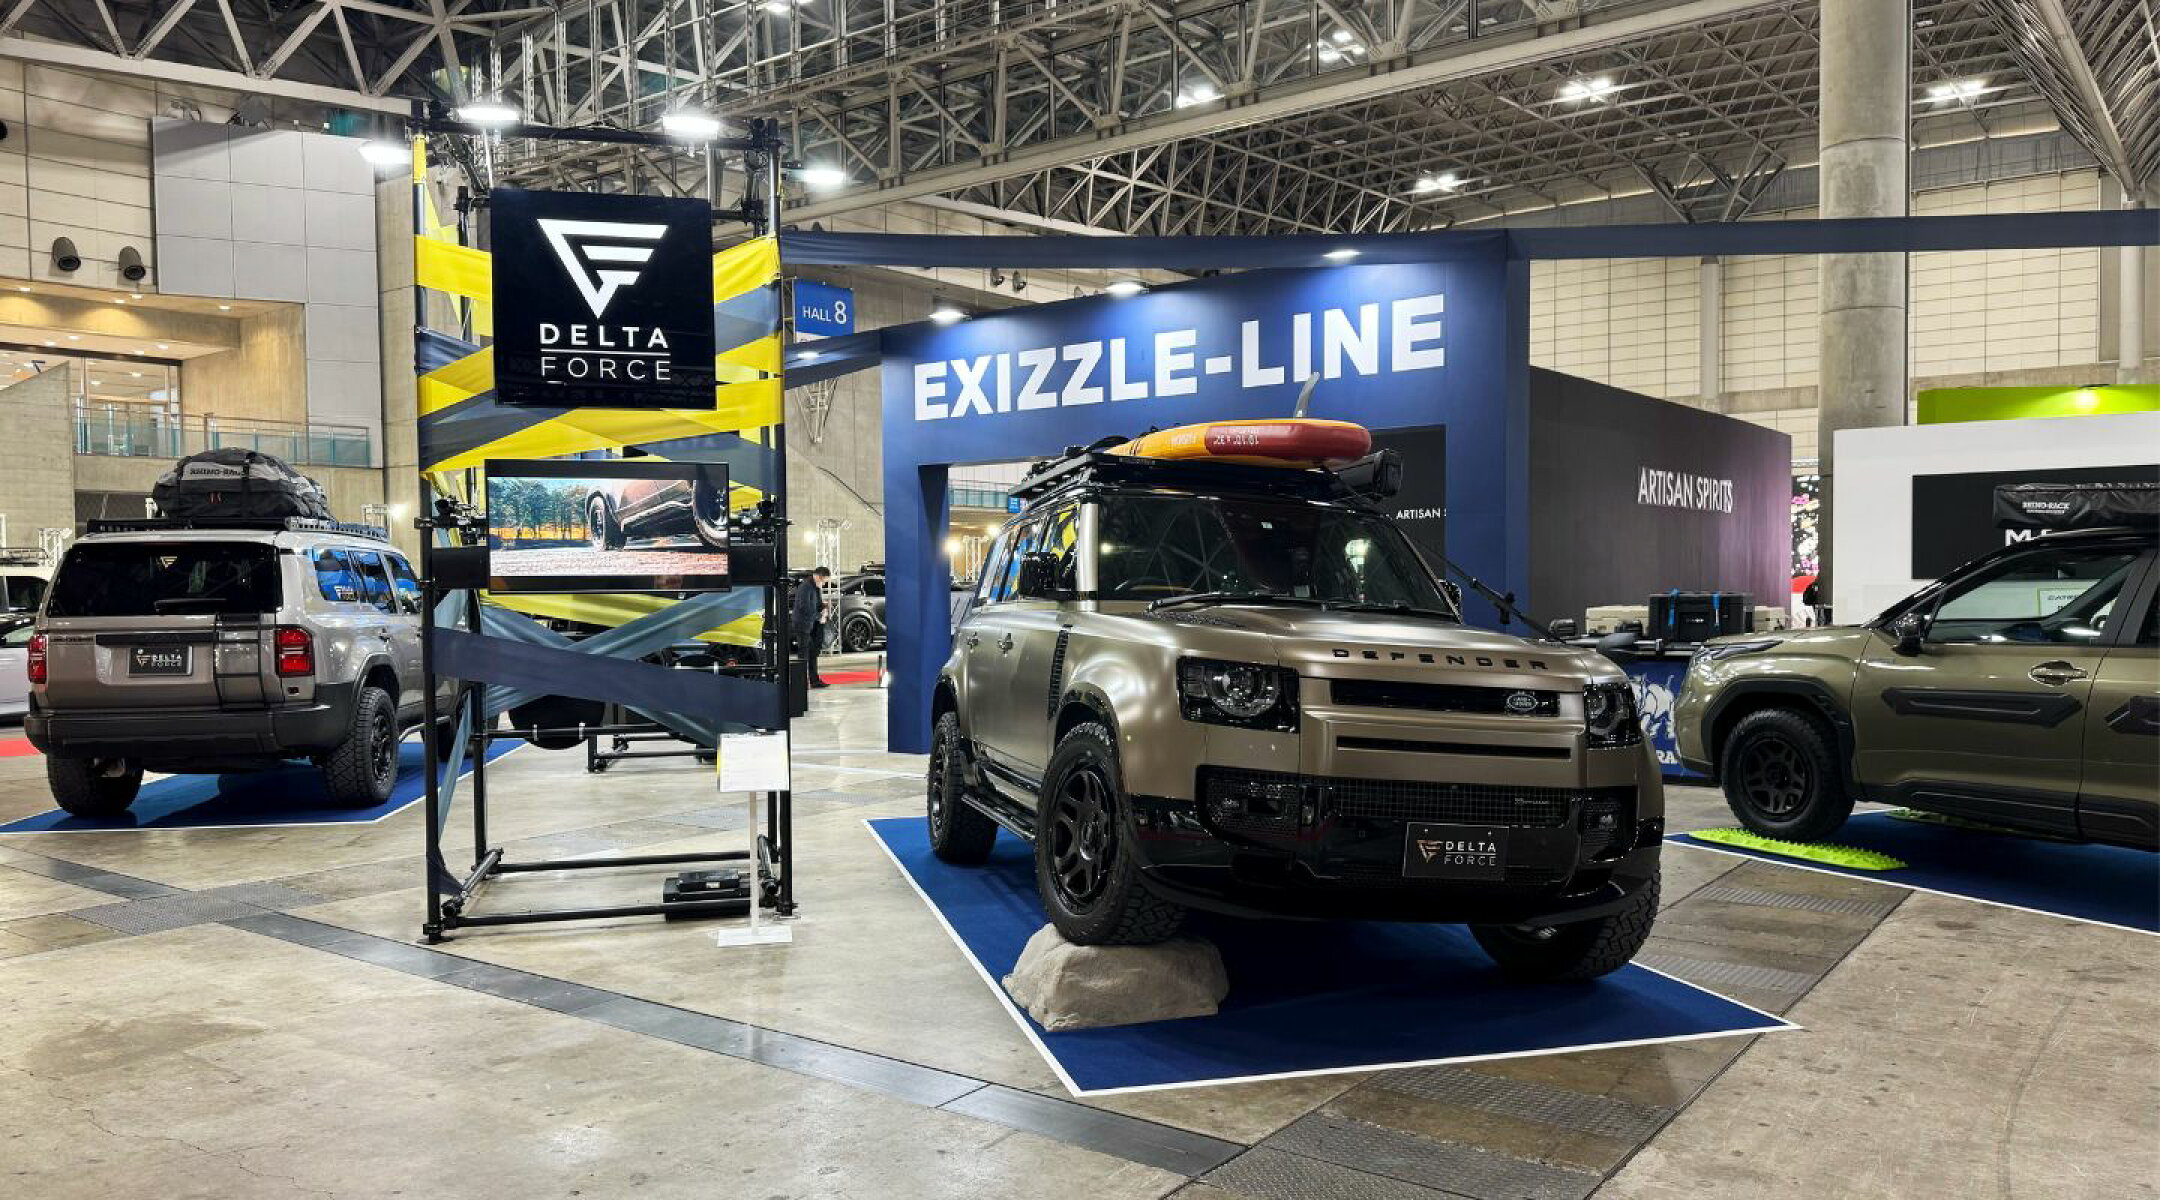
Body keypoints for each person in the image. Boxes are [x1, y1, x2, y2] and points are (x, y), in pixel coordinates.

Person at [793, 566, 831, 689]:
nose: (824, 584)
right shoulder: (805, 587)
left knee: (813, 652)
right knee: (804, 652)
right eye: (824, 581)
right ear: (819, 577)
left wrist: (823, 607)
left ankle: (814, 680)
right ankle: (801, 682)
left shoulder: (816, 587)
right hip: (802, 624)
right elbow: (804, 607)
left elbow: (817, 604)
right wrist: (819, 616)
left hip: (812, 624)